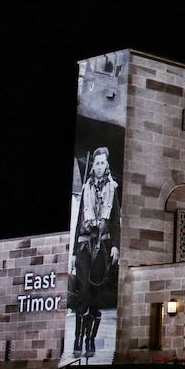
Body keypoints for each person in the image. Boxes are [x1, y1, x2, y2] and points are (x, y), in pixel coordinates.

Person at [71, 146, 120, 358]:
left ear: (106, 165)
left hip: (102, 249)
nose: (99, 167)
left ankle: (90, 340)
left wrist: (116, 246)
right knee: (82, 292)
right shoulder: (86, 189)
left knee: (95, 296)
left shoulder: (112, 189)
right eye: (96, 163)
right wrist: (74, 251)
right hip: (84, 247)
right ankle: (77, 338)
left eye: (102, 163)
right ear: (93, 165)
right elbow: (79, 222)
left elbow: (116, 221)